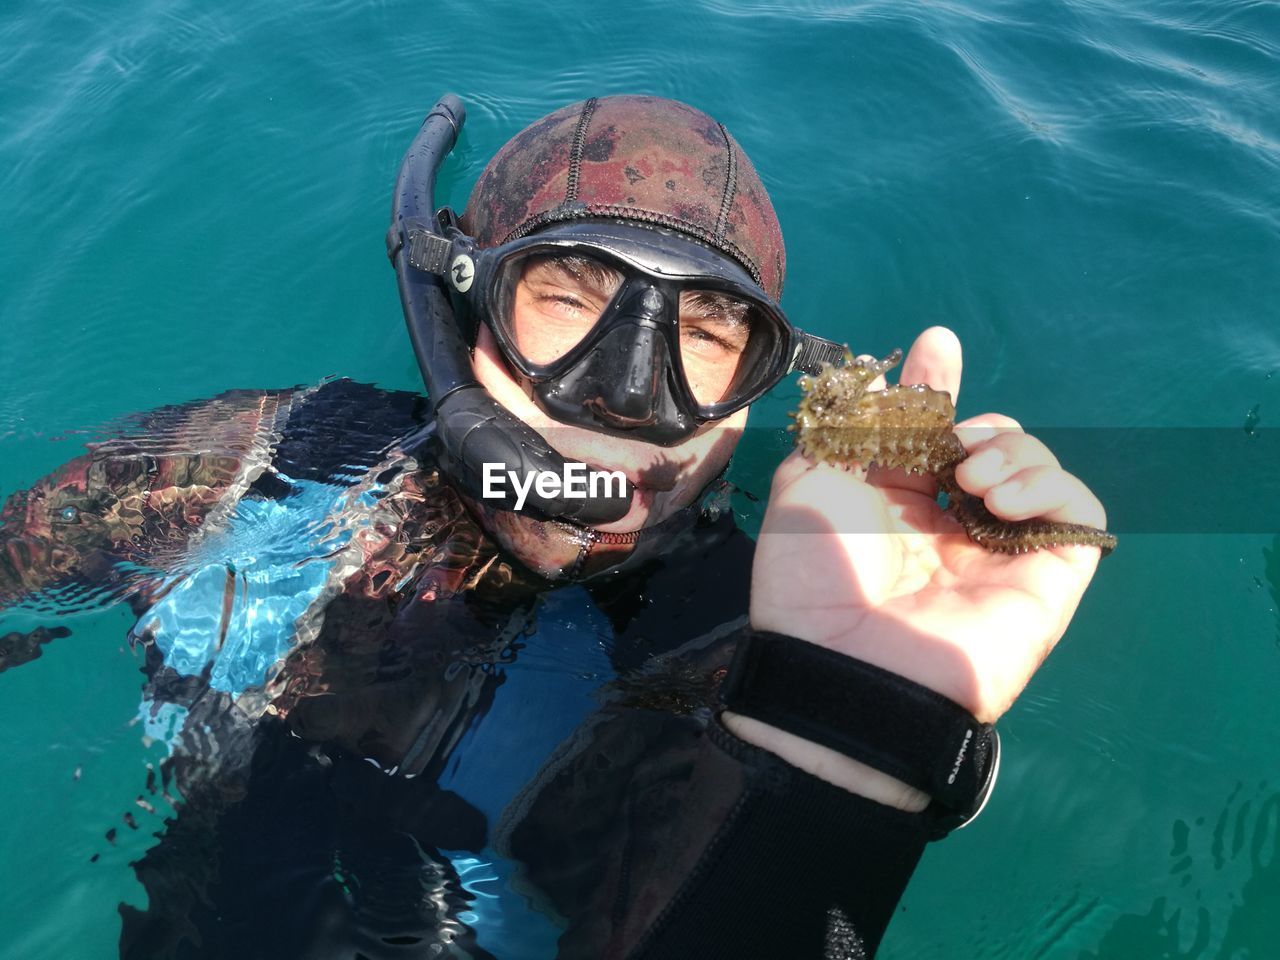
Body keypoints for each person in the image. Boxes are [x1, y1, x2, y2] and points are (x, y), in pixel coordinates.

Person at [0, 94, 1109, 959]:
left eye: (705, 337)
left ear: (755, 394)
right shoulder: (255, 462)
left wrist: (851, 738)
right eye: (568, 302)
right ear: (460, 315)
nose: (625, 399)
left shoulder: (736, 662)